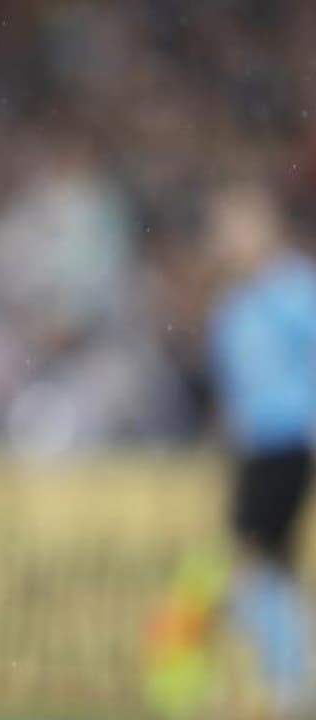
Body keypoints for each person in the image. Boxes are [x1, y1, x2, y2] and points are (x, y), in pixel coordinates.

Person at [208, 180, 316, 718]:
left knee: (253, 562)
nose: (225, 239)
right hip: (255, 450)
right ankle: (286, 679)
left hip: (291, 442)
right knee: (265, 565)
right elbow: (233, 392)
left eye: (234, 227)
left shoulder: (296, 290)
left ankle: (288, 680)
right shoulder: (232, 309)